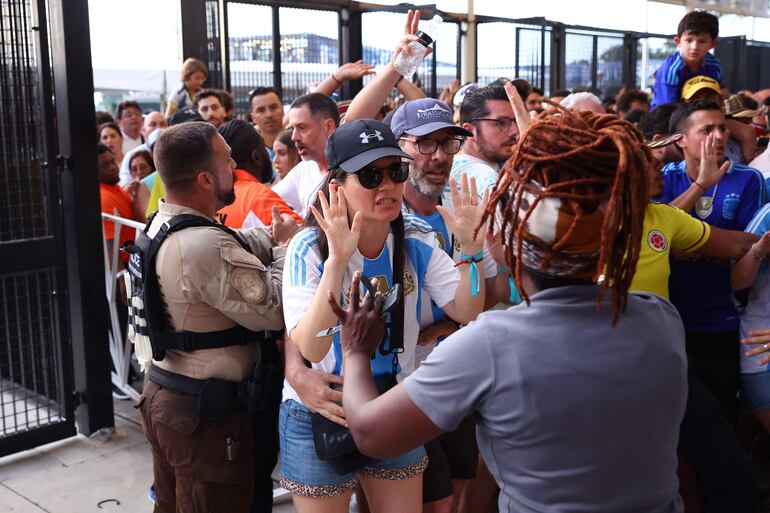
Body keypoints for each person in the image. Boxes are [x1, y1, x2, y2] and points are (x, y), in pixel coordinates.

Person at [331, 108, 687, 513]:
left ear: (508, 244)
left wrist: (357, 350)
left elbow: (370, 433)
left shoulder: (490, 344)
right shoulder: (660, 318)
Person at [279, 119, 486, 513]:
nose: (388, 185)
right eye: (371, 175)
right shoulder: (309, 247)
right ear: (337, 187)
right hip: (321, 410)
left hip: (392, 403)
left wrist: (472, 253)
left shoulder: (415, 238)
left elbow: (467, 309)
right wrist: (338, 261)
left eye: (396, 171)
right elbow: (312, 344)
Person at [137, 121, 287, 513]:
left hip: (175, 402)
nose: (235, 163)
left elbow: (231, 244)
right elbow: (275, 307)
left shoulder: (162, 222)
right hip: (204, 419)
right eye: (226, 159)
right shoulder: (202, 244)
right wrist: (289, 248)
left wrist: (270, 236)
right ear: (205, 178)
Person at [658, 100, 766, 424]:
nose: (719, 136)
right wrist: (700, 187)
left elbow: (747, 247)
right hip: (670, 322)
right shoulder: (664, 179)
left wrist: (690, 246)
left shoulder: (748, 179)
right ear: (680, 140)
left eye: (722, 127)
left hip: (724, 320)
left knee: (721, 417)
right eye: (706, 129)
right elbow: (659, 237)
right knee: (675, 422)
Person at [216, 119, 301, 229]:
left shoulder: (211, 196)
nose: (274, 160)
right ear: (256, 157)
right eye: (264, 147)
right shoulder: (259, 198)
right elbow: (306, 238)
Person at [272, 92, 339, 218]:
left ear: (328, 126)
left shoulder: (350, 172)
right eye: (292, 129)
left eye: (302, 128)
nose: (294, 137)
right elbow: (268, 200)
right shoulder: (304, 168)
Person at [651, 11, 721, 109]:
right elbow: (666, 109)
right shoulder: (671, 69)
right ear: (678, 41)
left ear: (712, 44)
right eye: (689, 40)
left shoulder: (715, 65)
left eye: (702, 41)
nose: (694, 47)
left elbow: (715, 97)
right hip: (666, 117)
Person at [249, 86, 286, 158]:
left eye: (273, 107)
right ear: (253, 117)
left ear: (282, 110)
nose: (269, 115)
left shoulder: (299, 145)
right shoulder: (249, 152)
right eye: (261, 110)